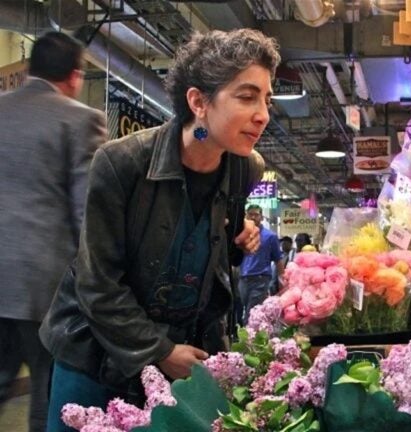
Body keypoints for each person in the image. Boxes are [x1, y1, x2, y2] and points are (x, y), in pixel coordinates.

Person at [38, 29, 280, 431]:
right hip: (96, 354)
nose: (263, 114)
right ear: (198, 102)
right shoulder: (122, 163)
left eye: (267, 99)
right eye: (246, 96)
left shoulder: (244, 166)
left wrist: (240, 242)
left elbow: (215, 250)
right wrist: (159, 350)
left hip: (180, 354)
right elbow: (97, 285)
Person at [0, 32, 107, 432]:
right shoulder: (80, 119)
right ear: (75, 75)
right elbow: (87, 209)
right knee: (46, 390)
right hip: (43, 284)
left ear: (30, 68)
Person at [239, 204, 283, 318]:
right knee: (241, 310)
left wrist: (282, 282)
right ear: (246, 216)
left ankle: (250, 335)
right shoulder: (241, 235)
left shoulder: (270, 236)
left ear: (262, 217)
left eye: (256, 215)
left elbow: (278, 260)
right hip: (243, 279)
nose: (253, 217)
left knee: (252, 312)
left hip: (260, 279)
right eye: (250, 214)